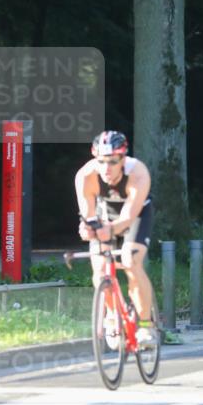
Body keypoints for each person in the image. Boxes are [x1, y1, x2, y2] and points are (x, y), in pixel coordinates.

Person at [74, 130, 155, 347]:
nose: (106, 168)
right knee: (100, 269)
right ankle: (111, 315)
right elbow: (88, 215)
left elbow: (128, 217)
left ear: (123, 158)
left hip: (135, 215)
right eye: (101, 161)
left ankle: (146, 326)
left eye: (113, 161)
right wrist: (87, 229)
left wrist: (109, 231)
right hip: (105, 214)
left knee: (130, 261)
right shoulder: (85, 176)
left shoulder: (138, 173)